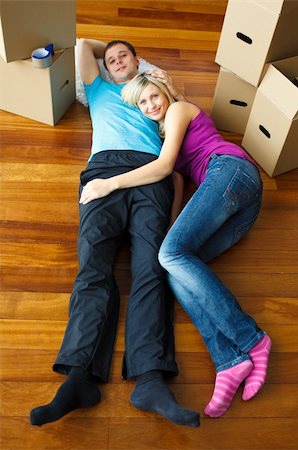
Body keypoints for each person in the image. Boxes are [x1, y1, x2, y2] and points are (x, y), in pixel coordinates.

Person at [79, 72, 272, 418]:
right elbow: (177, 184)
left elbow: (164, 166)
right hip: (243, 206)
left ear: (165, 92)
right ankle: (229, 362)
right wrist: (169, 237)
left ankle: (251, 338)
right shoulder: (168, 134)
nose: (151, 105)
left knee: (169, 255)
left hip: (230, 170)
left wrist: (108, 185)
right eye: (143, 102)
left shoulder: (180, 110)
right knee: (170, 268)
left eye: (154, 95)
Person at [29, 40, 200, 428]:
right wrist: (106, 48)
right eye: (111, 59)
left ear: (138, 60)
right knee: (92, 268)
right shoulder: (99, 88)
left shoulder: (155, 98)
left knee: (151, 270)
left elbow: (172, 163)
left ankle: (150, 379)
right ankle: (78, 376)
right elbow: (80, 46)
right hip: (101, 172)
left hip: (148, 175)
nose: (116, 61)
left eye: (124, 56)